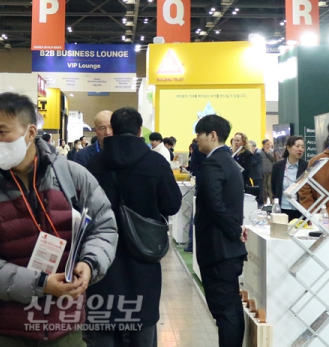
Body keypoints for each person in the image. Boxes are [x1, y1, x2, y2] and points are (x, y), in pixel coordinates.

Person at [0, 92, 117, 346]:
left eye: (2, 131)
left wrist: (90, 263)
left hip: (66, 323)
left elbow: (104, 227)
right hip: (5, 329)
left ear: (30, 132)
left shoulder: (73, 176)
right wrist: (40, 284)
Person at [86, 108, 181, 347]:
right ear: (140, 131)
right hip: (143, 254)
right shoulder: (155, 162)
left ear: (112, 130)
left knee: (104, 323)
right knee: (142, 321)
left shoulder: (94, 163)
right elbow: (172, 204)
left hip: (103, 255)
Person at [193, 114, 248, 347]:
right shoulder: (228, 160)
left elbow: (215, 205)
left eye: (199, 134)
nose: (197, 140)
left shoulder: (214, 162)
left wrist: (234, 230)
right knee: (231, 308)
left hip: (218, 249)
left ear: (213, 135)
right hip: (227, 249)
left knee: (225, 311)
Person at [271, 135, 308, 221]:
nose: (300, 149)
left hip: (299, 209)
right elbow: (274, 186)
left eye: (302, 147)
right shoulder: (278, 166)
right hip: (281, 209)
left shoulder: (306, 166)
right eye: (297, 146)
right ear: (288, 147)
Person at [257, 138, 275, 204]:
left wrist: (268, 153)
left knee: (270, 186)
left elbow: (274, 159)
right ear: (264, 145)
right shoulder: (259, 152)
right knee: (263, 187)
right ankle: (264, 201)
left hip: (270, 172)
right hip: (263, 172)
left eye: (269, 144)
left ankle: (271, 200)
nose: (268, 145)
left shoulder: (271, 151)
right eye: (267, 144)